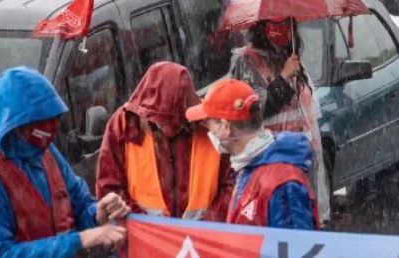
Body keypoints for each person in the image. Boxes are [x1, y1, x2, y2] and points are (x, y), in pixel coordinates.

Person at [0, 67, 129, 257]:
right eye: (41, 121)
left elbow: (78, 201)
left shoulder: (44, 151)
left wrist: (96, 213)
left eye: (54, 119)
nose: (51, 129)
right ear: (14, 123)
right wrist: (81, 239)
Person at [96, 62, 233, 221]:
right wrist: (147, 229)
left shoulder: (210, 124)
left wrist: (208, 223)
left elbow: (231, 183)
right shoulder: (123, 125)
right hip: (146, 240)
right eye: (160, 123)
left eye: (177, 123)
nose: (168, 130)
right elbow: (109, 189)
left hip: (203, 239)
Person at [229, 17, 329, 221]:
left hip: (301, 156)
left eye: (287, 24)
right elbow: (252, 111)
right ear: (262, 28)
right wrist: (282, 80)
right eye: (276, 24)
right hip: (270, 160)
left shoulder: (291, 58)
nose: (282, 30)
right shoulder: (247, 62)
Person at [186, 79, 318, 229]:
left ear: (225, 128)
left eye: (207, 123)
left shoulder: (281, 182)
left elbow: (293, 248)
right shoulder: (249, 167)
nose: (206, 129)